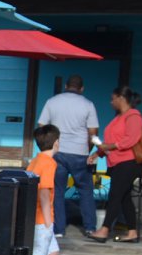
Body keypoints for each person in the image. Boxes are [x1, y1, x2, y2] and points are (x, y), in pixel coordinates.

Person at [37, 76, 101, 236]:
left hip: (58, 152)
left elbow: (42, 125)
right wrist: (88, 149)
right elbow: (93, 132)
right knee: (86, 191)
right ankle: (90, 227)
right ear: (82, 88)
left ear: (66, 86)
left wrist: (51, 145)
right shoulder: (88, 104)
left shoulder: (52, 102)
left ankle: (58, 229)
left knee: (58, 190)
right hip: (80, 152)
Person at [91, 86, 142, 242]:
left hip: (129, 161)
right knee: (124, 196)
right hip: (117, 161)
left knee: (115, 194)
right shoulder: (119, 117)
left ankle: (105, 229)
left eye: (113, 98)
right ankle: (132, 232)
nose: (111, 102)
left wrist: (110, 147)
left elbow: (131, 139)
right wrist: (98, 153)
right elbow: (109, 141)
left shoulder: (133, 116)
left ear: (121, 98)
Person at [26, 125, 62, 255]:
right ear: (56, 142)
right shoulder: (49, 163)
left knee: (53, 251)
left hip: (35, 216)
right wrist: (48, 221)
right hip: (41, 218)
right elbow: (44, 192)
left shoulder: (36, 160)